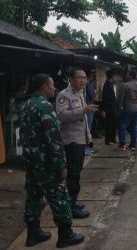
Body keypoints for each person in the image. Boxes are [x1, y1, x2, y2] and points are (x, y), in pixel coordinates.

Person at [18, 74, 85, 248]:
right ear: (44, 87)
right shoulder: (45, 107)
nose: (54, 88)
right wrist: (61, 165)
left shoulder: (25, 106)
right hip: (47, 163)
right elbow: (54, 139)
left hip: (32, 162)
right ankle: (65, 235)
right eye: (52, 85)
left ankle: (33, 234)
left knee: (34, 196)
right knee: (59, 197)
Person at [56, 68, 97, 219]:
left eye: (85, 78)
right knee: (73, 175)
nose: (83, 80)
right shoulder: (63, 95)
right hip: (71, 140)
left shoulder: (80, 94)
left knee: (77, 173)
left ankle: (73, 200)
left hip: (80, 139)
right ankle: (71, 207)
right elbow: (60, 116)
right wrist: (83, 110)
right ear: (71, 79)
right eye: (79, 78)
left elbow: (83, 116)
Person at [118, 71, 137, 151]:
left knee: (122, 126)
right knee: (134, 126)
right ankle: (133, 145)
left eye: (127, 75)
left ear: (131, 76)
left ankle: (122, 144)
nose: (126, 76)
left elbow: (120, 98)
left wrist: (119, 108)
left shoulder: (124, 85)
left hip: (128, 109)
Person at [101, 69, 119, 145]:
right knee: (109, 125)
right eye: (116, 76)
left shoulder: (112, 85)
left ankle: (113, 138)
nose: (117, 78)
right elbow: (105, 99)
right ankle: (107, 141)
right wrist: (103, 110)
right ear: (112, 77)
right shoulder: (106, 86)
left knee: (114, 124)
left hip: (114, 108)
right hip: (109, 108)